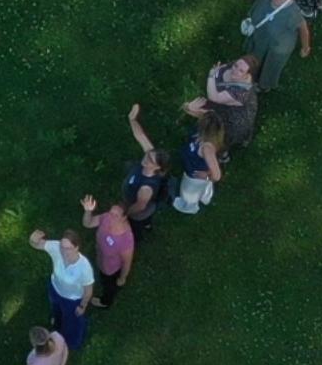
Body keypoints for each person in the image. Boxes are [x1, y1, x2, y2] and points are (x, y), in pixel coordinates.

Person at [30, 224, 97, 349]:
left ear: (77, 247)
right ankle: (57, 323)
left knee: (73, 321)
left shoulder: (84, 267)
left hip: (72, 299)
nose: (64, 251)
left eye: (68, 248)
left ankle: (72, 341)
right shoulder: (56, 247)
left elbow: (88, 290)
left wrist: (82, 306)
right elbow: (36, 244)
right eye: (62, 247)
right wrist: (32, 239)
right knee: (56, 311)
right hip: (55, 289)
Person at [237, 0, 303, 91]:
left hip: (279, 45)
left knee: (270, 66)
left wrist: (306, 47)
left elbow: (303, 28)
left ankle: (263, 86)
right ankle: (248, 75)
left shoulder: (292, 11)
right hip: (262, 35)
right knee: (255, 57)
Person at [187, 54, 261, 154]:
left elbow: (214, 97)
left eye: (241, 71)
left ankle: (222, 154)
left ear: (247, 75)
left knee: (219, 136)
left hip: (234, 121)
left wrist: (211, 75)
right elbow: (224, 68)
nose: (235, 70)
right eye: (236, 65)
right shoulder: (238, 66)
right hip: (224, 106)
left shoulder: (241, 92)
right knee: (198, 111)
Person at [80, 192, 138, 307]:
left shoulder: (126, 239)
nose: (110, 217)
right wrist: (88, 211)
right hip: (100, 259)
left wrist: (122, 278)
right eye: (111, 213)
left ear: (124, 218)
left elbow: (127, 262)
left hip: (110, 270)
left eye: (115, 216)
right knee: (101, 276)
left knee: (109, 287)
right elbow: (88, 224)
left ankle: (106, 302)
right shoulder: (106, 218)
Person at [122, 104, 172, 234]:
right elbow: (140, 136)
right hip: (131, 197)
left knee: (136, 225)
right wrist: (132, 119)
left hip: (137, 212)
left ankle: (142, 230)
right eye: (148, 155)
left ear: (157, 167)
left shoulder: (146, 187)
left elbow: (140, 206)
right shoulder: (150, 156)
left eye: (150, 160)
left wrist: (125, 214)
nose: (146, 158)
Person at [172, 113, 226, 213]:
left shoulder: (207, 148)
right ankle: (203, 196)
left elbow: (217, 176)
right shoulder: (200, 136)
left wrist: (207, 176)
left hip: (195, 178)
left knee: (189, 196)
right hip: (190, 168)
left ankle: (190, 207)